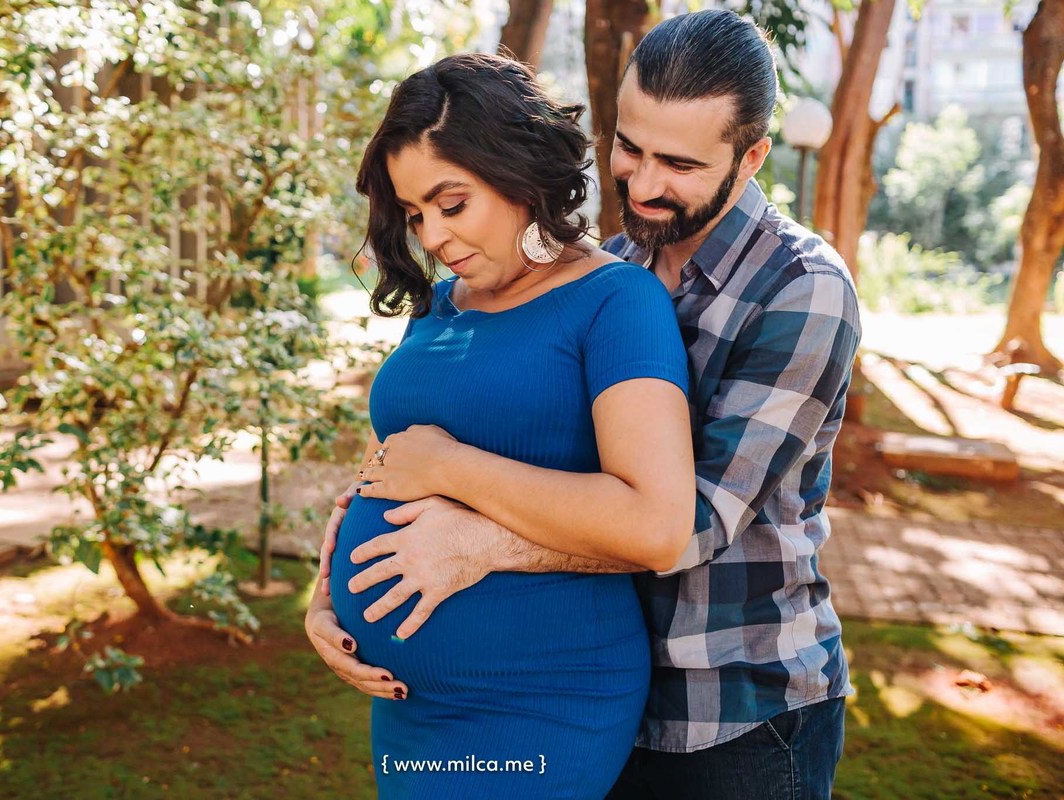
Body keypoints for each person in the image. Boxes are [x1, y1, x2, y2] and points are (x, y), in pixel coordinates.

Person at [308, 10, 861, 800]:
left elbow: (680, 527)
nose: (641, 182)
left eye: (678, 163)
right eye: (628, 148)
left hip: (736, 699)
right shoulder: (624, 254)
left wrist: (478, 538)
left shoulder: (803, 290)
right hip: (599, 683)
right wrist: (336, 571)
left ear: (752, 158)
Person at [317, 52, 695, 799]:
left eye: (451, 204)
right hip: (408, 706)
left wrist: (452, 468)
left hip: (539, 699)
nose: (432, 236)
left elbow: (657, 525)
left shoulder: (616, 304)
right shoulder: (441, 307)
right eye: (415, 213)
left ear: (519, 173)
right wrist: (325, 596)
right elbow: (389, 468)